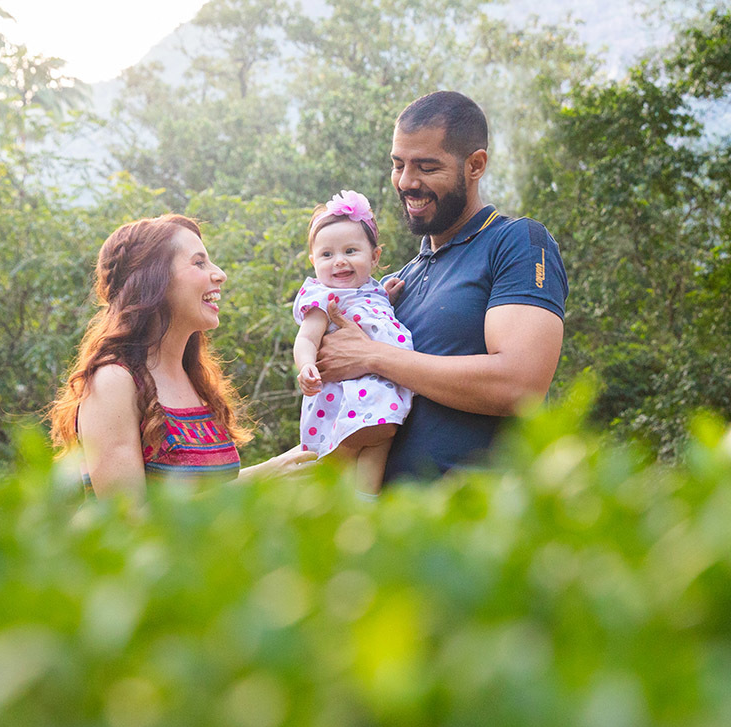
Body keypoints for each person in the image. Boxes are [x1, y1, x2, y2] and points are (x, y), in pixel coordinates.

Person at [316, 91, 568, 482]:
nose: (406, 182)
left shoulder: (516, 242)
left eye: (427, 167)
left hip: (481, 511)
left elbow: (520, 385)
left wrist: (374, 355)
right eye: (398, 165)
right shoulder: (399, 282)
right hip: (388, 513)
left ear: (475, 165)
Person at [50, 214, 314, 498]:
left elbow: (207, 493)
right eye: (199, 263)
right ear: (154, 280)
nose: (220, 274)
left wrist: (282, 466)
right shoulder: (113, 381)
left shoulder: (194, 380)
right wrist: (262, 479)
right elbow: (127, 516)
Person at [292, 190, 413, 495]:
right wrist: (306, 366)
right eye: (327, 255)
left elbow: (372, 319)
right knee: (343, 455)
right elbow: (306, 338)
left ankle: (365, 502)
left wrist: (385, 297)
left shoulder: (373, 292)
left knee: (381, 439)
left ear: (374, 257)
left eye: (350, 251)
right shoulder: (324, 299)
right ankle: (330, 499)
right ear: (313, 261)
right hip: (345, 399)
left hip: (380, 395)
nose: (339, 261)